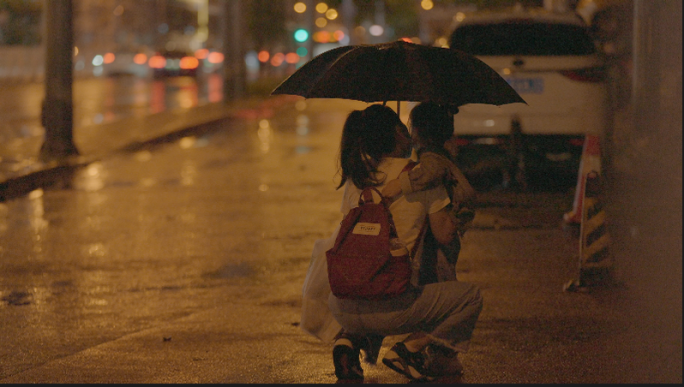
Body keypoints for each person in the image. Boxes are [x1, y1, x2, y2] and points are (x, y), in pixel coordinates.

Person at [328, 104, 483, 382]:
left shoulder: (358, 177)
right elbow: (445, 234)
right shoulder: (421, 177)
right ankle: (409, 349)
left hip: (343, 305)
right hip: (390, 304)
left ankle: (348, 341)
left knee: (373, 276)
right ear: (398, 134)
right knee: (468, 298)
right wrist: (463, 214)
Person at [381, 102, 477, 284]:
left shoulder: (431, 157)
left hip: (445, 231)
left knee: (440, 277)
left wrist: (401, 183)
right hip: (450, 224)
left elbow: (430, 172)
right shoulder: (441, 153)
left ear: (418, 130)